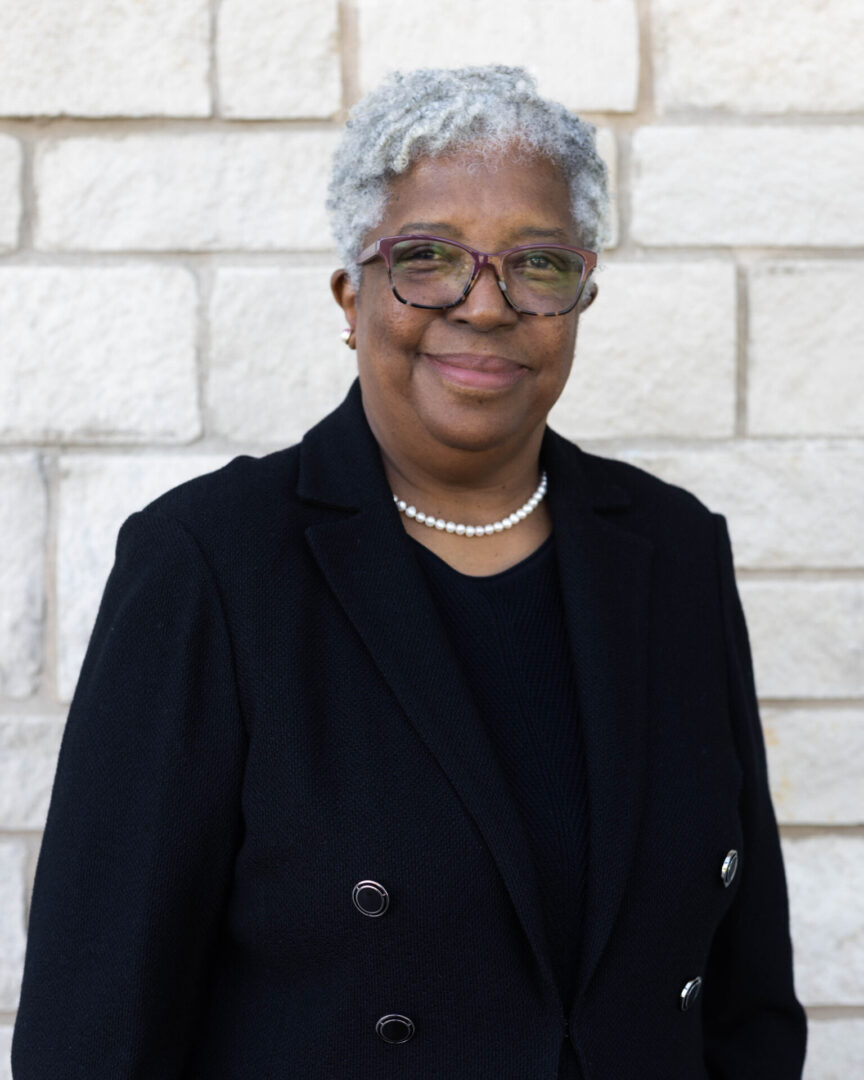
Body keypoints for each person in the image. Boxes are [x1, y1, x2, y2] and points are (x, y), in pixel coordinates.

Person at [12, 65, 806, 1079]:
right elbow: (95, 1028)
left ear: (582, 291)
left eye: (539, 264)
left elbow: (748, 994)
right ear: (353, 295)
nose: (485, 306)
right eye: (426, 259)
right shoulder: (211, 566)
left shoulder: (673, 552)